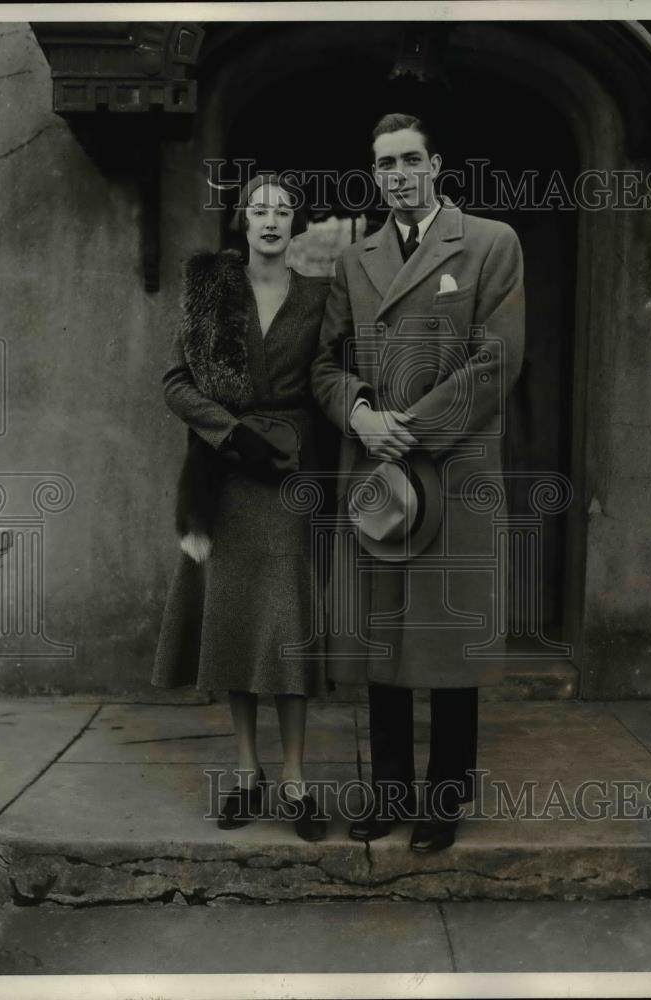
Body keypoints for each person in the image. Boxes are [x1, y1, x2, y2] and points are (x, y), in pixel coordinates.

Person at [310, 112, 525, 853]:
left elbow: (497, 361)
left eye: (409, 161)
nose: (397, 175)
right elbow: (325, 364)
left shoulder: (489, 243)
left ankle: (445, 796)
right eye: (383, 165)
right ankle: (388, 791)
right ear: (373, 176)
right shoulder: (354, 258)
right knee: (383, 635)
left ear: (436, 166)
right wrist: (362, 415)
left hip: (452, 468)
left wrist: (411, 428)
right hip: (376, 471)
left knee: (446, 639)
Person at [152, 174, 331, 842]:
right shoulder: (212, 295)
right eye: (258, 209)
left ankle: (294, 780)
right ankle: (247, 772)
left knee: (283, 624)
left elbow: (329, 378)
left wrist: (294, 443)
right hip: (224, 477)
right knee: (232, 624)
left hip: (288, 477)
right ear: (241, 220)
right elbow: (174, 382)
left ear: (296, 224)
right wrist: (230, 434)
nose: (270, 219)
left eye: (282, 210)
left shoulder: (319, 296)